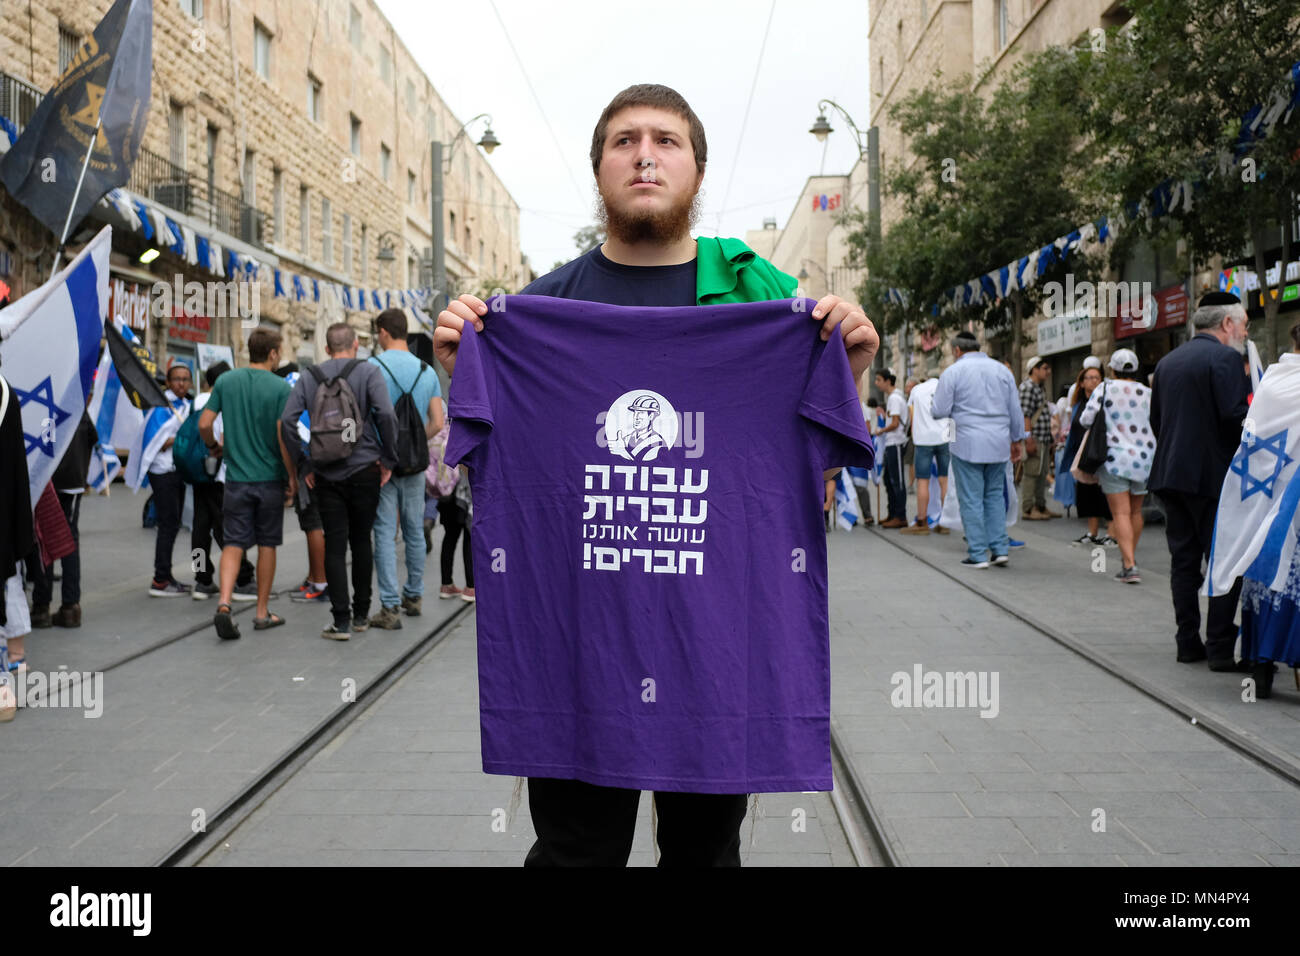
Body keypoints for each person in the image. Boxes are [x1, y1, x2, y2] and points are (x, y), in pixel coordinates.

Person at [433, 83, 878, 868]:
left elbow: (817, 463)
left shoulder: (773, 310)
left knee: (706, 855)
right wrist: (460, 370)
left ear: (698, 171)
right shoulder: (536, 314)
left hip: (715, 650)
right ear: (599, 169)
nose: (645, 155)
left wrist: (854, 370)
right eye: (625, 140)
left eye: (666, 141)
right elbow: (493, 464)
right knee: (575, 852)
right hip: (581, 649)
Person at [1148, 291, 1251, 668]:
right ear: (1227, 323)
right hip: (1212, 480)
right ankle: (1221, 647)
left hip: (1171, 475)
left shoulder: (1168, 362)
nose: (1243, 333)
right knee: (1225, 561)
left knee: (1184, 561)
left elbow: (1157, 421)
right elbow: (1234, 417)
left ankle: (1187, 641)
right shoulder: (1225, 358)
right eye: (1243, 325)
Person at [282, 322, 398, 641]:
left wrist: (304, 461)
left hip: (326, 471)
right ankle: (362, 614)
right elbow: (386, 414)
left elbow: (288, 421)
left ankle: (341, 621)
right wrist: (388, 458)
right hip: (365, 469)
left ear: (326, 347)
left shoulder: (310, 376)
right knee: (362, 540)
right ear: (356, 344)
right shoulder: (369, 372)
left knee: (335, 544)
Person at [1206, 322, 1300, 697]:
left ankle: (1260, 664)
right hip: (1289, 499)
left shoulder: (1274, 381)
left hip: (1270, 498)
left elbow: (1254, 437)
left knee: (1267, 571)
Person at [199, 329, 294, 640]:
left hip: (235, 479)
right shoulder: (281, 387)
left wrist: (214, 446)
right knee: (267, 543)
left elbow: (204, 422)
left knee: (233, 542)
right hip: (269, 479)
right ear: (272, 354)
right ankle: (262, 612)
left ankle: (224, 603)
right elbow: (283, 437)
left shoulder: (226, 381)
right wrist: (291, 476)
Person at [368, 308, 445, 629]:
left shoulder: (371, 367)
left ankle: (389, 606)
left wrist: (387, 450)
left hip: (380, 464)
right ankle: (414, 595)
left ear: (384, 332)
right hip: (414, 464)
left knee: (385, 532)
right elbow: (437, 422)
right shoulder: (427, 371)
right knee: (414, 529)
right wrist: (412, 442)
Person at [932, 331, 1026, 568]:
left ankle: (977, 553)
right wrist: (1017, 440)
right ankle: (1000, 548)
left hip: (967, 443)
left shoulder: (953, 372)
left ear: (956, 350)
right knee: (994, 494)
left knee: (971, 498)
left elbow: (939, 410)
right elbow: (1016, 410)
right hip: (999, 443)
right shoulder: (1002, 370)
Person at [1080, 349, 1153, 583]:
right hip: (1144, 458)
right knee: (1135, 512)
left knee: (1120, 513)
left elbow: (1085, 419)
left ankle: (1129, 565)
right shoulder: (1148, 392)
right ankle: (1128, 559)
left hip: (1115, 458)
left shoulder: (1105, 388)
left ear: (1112, 369)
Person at [190, 361, 256, 601]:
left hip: (197, 472)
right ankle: (243, 577)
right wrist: (216, 447)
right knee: (229, 529)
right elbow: (226, 437)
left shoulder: (196, 401)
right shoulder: (225, 401)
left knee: (199, 528)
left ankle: (201, 578)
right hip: (219, 473)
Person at [29, 409, 97, 627]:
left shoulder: (44, 404)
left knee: (42, 537)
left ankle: (41, 605)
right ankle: (70, 605)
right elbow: (92, 437)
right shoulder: (76, 404)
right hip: (73, 480)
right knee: (70, 538)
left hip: (47, 479)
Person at [274, 363, 330, 606]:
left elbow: (284, 429)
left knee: (313, 522)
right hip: (323, 462)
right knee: (312, 523)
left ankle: (320, 583)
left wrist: (294, 472)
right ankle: (313, 577)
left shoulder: (288, 390)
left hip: (309, 466)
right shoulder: (313, 386)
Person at [141, 364, 193, 596]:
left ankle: (169, 575)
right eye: (177, 379)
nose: (181, 384)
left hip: (178, 471)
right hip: (163, 471)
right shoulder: (162, 407)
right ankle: (160, 579)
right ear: (169, 383)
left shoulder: (186, 406)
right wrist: (182, 438)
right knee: (168, 524)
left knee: (174, 525)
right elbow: (155, 442)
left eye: (185, 379)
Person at [1061, 366, 1114, 547]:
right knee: (1088, 494)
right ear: (1082, 382)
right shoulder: (1078, 403)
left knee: (1105, 493)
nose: (1093, 381)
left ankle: (1111, 533)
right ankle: (1092, 532)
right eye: (1089, 377)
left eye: (1096, 377)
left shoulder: (1105, 399)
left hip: (1100, 453)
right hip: (1083, 454)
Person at [901, 375, 952, 535]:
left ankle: (922, 521)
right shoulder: (946, 388)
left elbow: (911, 413)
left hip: (923, 439)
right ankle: (944, 522)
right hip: (944, 437)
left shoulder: (917, 389)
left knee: (923, 480)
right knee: (944, 480)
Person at [1019, 356, 1056, 521]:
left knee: (1042, 473)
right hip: (1034, 437)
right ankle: (1028, 508)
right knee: (1031, 473)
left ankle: (1040, 505)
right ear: (1035, 369)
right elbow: (1025, 415)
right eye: (1045, 368)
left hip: (1043, 437)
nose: (1048, 372)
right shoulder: (1027, 387)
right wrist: (1028, 439)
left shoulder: (1039, 387)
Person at [873, 368, 908, 528]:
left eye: (879, 380)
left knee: (897, 480)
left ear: (888, 381)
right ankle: (892, 513)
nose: (876, 383)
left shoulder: (894, 398)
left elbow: (894, 424)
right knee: (888, 479)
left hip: (896, 443)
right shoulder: (894, 397)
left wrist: (881, 430)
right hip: (890, 444)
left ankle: (900, 516)